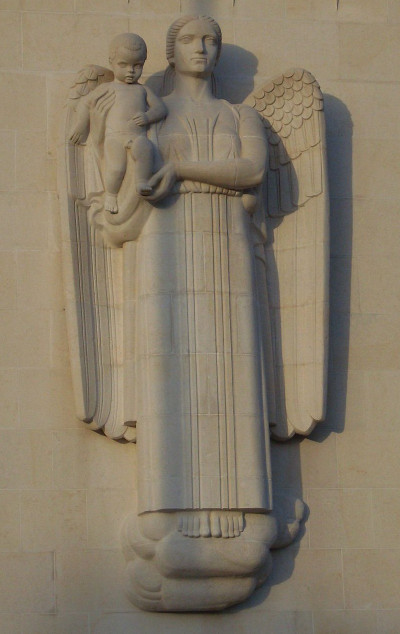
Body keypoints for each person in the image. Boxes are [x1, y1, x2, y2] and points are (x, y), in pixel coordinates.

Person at [132, 14, 272, 538]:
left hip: (228, 242)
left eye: (211, 40)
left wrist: (185, 169)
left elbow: (252, 171)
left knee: (233, 360)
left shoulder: (241, 116)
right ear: (172, 51)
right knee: (165, 361)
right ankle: (165, 508)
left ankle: (246, 508)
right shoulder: (153, 112)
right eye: (191, 40)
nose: (203, 49)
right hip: (163, 240)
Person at [70, 33, 167, 213]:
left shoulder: (142, 90)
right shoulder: (107, 88)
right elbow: (85, 103)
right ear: (112, 62)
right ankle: (112, 195)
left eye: (137, 66)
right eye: (124, 65)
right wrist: (81, 126)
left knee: (145, 150)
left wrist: (148, 117)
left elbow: (160, 108)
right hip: (114, 137)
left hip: (136, 136)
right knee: (116, 166)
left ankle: (142, 182)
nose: (130, 70)